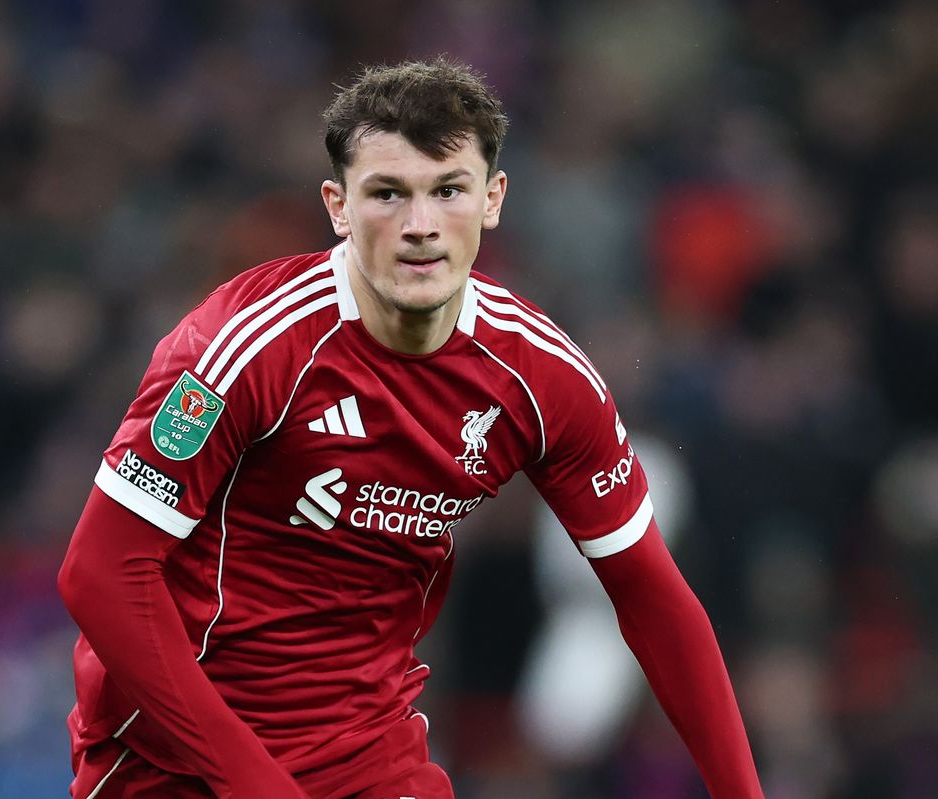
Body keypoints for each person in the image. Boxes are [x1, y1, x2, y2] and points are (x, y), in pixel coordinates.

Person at [58, 57, 764, 798]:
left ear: (493, 199)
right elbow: (102, 574)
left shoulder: (540, 376)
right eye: (388, 194)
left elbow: (651, 593)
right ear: (338, 205)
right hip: (181, 764)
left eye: (448, 190)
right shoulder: (241, 348)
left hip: (367, 753)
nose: (420, 226)